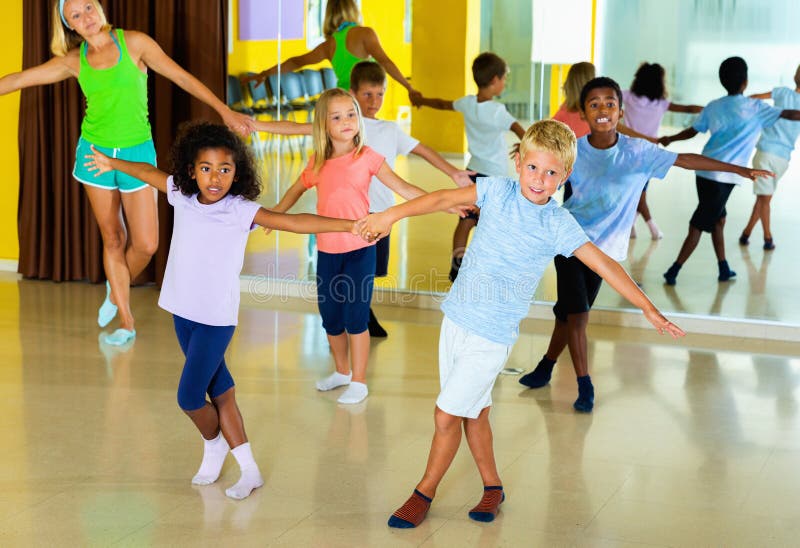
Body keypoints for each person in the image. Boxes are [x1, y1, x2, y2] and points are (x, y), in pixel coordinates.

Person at [355, 120, 686, 529]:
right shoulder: (495, 191)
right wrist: (390, 215)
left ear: (565, 175)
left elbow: (606, 264)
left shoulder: (559, 224)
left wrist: (649, 308)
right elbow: (442, 198)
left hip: (492, 336)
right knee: (473, 413)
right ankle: (493, 486)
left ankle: (423, 491)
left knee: (446, 415)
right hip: (457, 319)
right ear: (518, 162)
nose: (540, 179)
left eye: (552, 173)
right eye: (533, 168)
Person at [86, 121, 359, 499]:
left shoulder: (239, 209)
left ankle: (214, 443)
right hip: (182, 312)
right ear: (191, 171)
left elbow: (293, 222)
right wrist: (112, 165)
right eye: (206, 169)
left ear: (237, 173)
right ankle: (249, 471)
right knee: (222, 392)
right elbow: (149, 173)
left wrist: (352, 226)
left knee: (189, 397)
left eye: (225, 169)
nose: (215, 178)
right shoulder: (181, 194)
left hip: (215, 319)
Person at [0, 0, 255, 346]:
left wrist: (223, 110)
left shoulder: (135, 43)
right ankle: (126, 320)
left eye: (88, 7)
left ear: (100, 8)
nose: (85, 18)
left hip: (137, 154)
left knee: (147, 243)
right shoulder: (73, 62)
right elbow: (18, 80)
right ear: (69, 26)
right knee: (113, 239)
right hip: (95, 156)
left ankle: (114, 290)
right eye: (75, 15)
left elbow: (180, 76)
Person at [517, 77, 771, 413]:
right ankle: (584, 384)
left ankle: (545, 367)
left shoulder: (638, 152)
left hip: (606, 252)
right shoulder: (574, 150)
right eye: (594, 104)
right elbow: (539, 173)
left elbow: (686, 160)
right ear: (585, 111)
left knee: (567, 315)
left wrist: (738, 169)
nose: (602, 109)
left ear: (620, 111)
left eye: (609, 103)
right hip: (569, 242)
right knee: (578, 316)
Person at [252, 62, 473, 338]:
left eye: (379, 94)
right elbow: (292, 130)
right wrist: (254, 123)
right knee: (342, 283)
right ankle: (356, 321)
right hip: (343, 221)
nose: (374, 101)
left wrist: (449, 189)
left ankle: (358, 317)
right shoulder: (337, 124)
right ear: (353, 94)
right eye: (367, 95)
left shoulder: (386, 131)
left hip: (379, 217)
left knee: (369, 275)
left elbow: (413, 169)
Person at [269, 88, 439, 405]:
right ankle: (342, 372)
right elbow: (293, 191)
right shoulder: (318, 163)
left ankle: (359, 381)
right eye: (337, 117)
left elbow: (403, 187)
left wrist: (443, 204)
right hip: (327, 253)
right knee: (330, 318)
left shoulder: (369, 157)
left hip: (361, 249)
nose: (347, 121)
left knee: (356, 318)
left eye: (351, 114)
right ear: (324, 124)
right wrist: (273, 215)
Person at [660, 57, 800, 285]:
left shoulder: (714, 105)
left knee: (718, 219)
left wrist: (669, 138)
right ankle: (674, 270)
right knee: (699, 222)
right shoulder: (755, 108)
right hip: (723, 177)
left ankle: (723, 267)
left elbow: (693, 131)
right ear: (745, 82)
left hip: (703, 171)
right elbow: (790, 114)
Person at [411, 52, 526, 281]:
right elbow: (518, 129)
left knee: (466, 220)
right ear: (494, 81)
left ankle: (457, 264)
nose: (504, 83)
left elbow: (443, 104)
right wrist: (527, 147)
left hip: (473, 172)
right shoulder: (497, 111)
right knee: (492, 222)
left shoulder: (467, 103)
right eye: (504, 79)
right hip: (494, 176)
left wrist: (421, 100)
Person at [247, 0, 417, 100]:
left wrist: (265, 73)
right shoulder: (365, 33)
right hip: (363, 99)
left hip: (344, 99)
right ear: (353, 8)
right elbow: (385, 62)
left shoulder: (330, 44)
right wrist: (408, 87)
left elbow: (296, 62)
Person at [623, 62, 703, 239]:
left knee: (638, 192)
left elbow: (609, 93)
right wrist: (709, 110)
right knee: (640, 192)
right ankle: (652, 228)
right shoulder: (661, 104)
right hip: (650, 154)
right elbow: (688, 108)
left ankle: (632, 226)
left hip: (627, 152)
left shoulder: (627, 97)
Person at [739, 64, 800, 250]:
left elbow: (755, 98)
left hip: (765, 153)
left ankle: (746, 233)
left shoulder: (781, 92)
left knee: (763, 198)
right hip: (782, 158)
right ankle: (767, 238)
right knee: (765, 199)